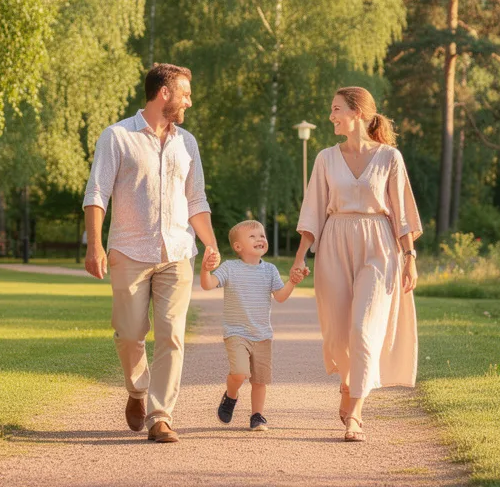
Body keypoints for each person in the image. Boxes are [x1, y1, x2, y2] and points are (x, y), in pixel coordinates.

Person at [82, 63, 221, 444]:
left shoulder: (186, 142)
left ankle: (161, 416)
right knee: (129, 334)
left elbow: (197, 199)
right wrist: (95, 245)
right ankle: (137, 389)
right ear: (164, 93)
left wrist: (210, 243)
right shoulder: (117, 137)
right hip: (129, 249)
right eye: (185, 93)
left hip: (177, 250)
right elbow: (97, 193)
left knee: (172, 335)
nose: (189, 101)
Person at [292, 86, 420, 443]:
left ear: (357, 113)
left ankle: (357, 414)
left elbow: (404, 214)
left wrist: (409, 256)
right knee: (336, 335)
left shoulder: (389, 158)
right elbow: (314, 209)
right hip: (334, 242)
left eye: (336, 109)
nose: (331, 116)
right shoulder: (325, 158)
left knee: (364, 330)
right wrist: (301, 256)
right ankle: (348, 383)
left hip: (379, 245)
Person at [201, 220, 305, 432]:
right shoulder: (230, 268)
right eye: (253, 236)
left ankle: (257, 416)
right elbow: (207, 284)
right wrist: (205, 269)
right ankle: (231, 395)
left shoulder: (270, 270)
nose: (260, 239)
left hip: (262, 334)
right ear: (238, 247)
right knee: (239, 373)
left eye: (262, 236)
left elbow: (281, 297)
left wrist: (292, 282)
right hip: (236, 332)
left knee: (260, 380)